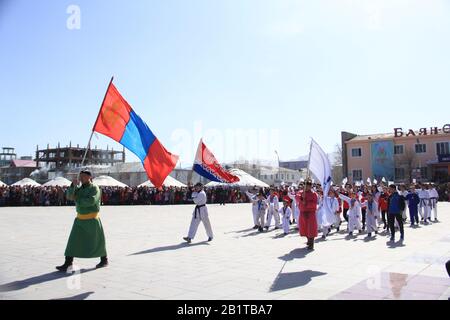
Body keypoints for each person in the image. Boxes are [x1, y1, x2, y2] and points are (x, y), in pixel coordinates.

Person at [56, 170, 108, 271]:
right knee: (72, 241)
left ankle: (104, 260)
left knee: (97, 241)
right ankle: (68, 263)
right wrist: (72, 186)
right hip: (80, 220)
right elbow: (69, 197)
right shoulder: (78, 188)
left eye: (84, 176)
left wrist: (78, 200)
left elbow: (91, 201)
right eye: (80, 176)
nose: (81, 178)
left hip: (92, 220)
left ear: (90, 177)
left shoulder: (94, 188)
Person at [295, 180, 318, 250]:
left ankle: (311, 243)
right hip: (303, 213)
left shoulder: (314, 194)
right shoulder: (301, 192)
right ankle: (308, 240)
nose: (307, 187)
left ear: (311, 186)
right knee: (304, 228)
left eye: (308, 186)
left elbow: (314, 205)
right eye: (305, 186)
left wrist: (307, 203)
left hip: (310, 213)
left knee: (311, 228)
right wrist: (302, 198)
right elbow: (297, 197)